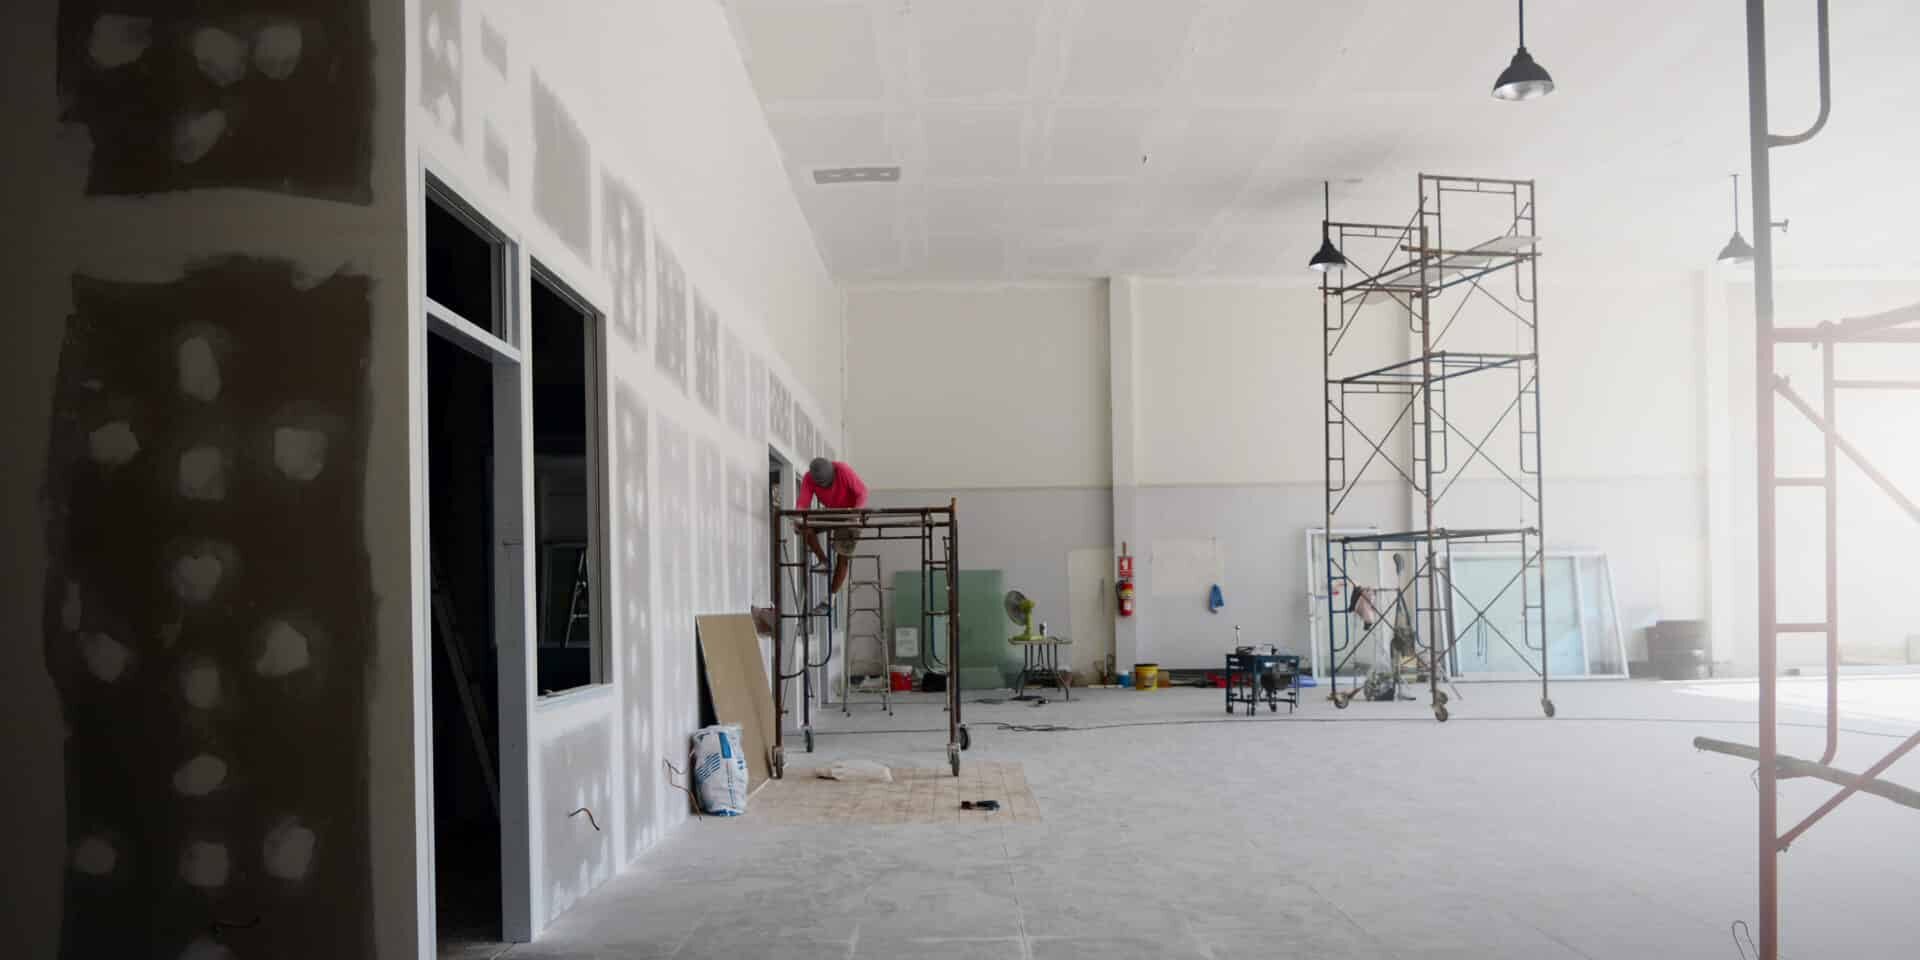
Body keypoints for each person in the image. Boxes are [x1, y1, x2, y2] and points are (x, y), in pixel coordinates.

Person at [797, 457, 868, 598]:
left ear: (833, 474)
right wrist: (797, 519)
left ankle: (831, 598)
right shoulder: (808, 478)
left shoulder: (843, 470)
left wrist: (856, 512)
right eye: (821, 485)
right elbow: (803, 503)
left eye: (827, 484)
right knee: (804, 526)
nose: (824, 487)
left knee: (843, 557)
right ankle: (824, 561)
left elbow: (863, 493)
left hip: (850, 513)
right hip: (831, 512)